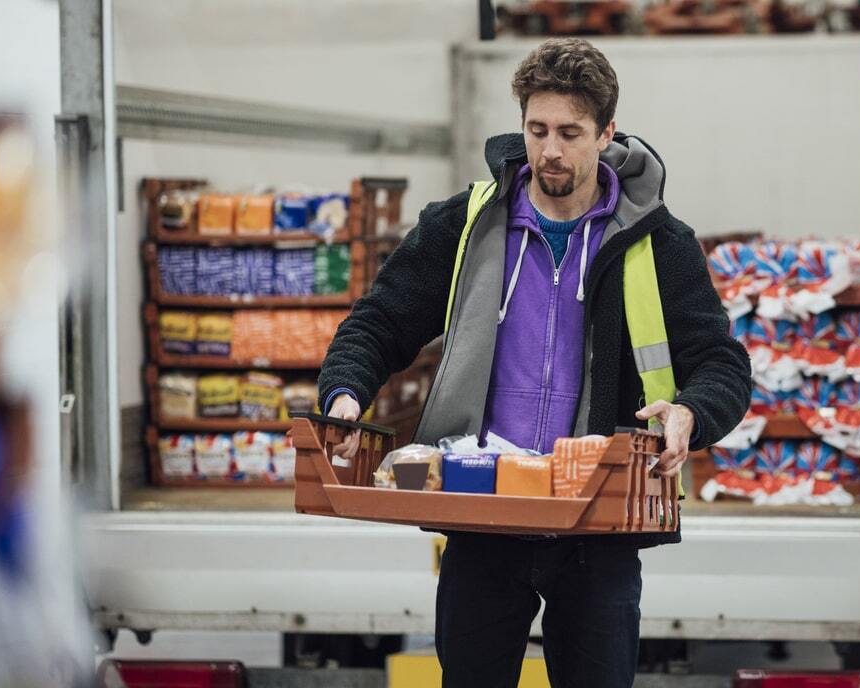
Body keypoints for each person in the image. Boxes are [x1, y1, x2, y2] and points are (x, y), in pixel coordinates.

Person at [318, 37, 751, 687]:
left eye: (570, 133)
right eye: (537, 129)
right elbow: (380, 321)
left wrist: (692, 412)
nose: (549, 150)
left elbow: (722, 362)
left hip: (598, 528)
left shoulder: (658, 242)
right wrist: (346, 392)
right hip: (480, 515)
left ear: (607, 132)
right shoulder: (464, 224)